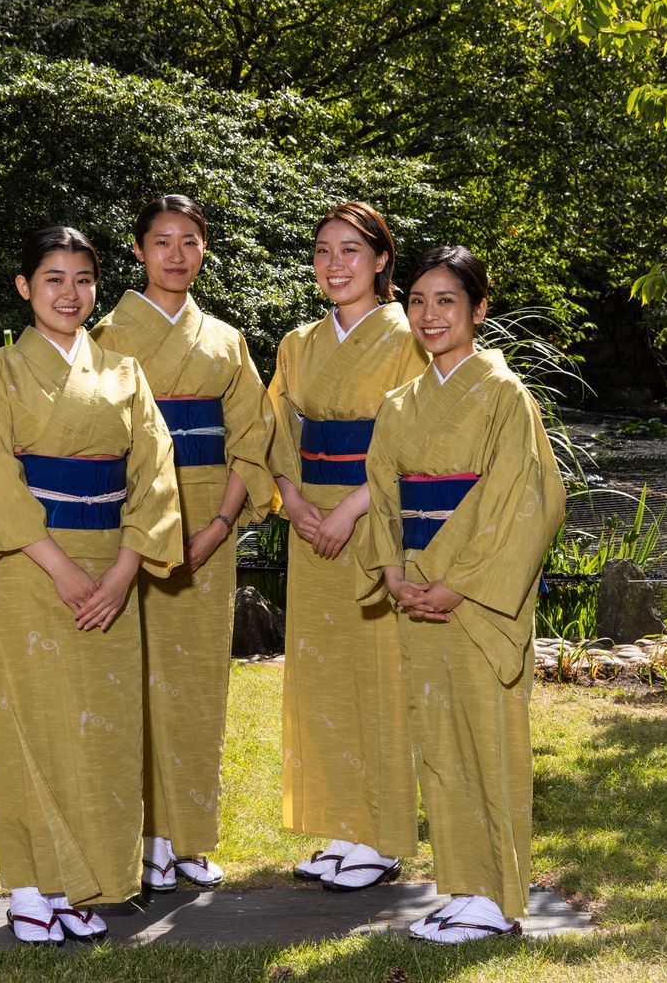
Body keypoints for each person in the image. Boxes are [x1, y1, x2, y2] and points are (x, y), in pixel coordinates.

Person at [0, 226, 183, 945]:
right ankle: (29, 888)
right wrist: (62, 569)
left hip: (113, 569)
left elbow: (155, 474)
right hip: (30, 567)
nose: (69, 294)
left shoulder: (123, 372)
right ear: (25, 288)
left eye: (83, 279)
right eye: (53, 278)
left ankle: (79, 884)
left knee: (103, 733)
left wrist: (120, 572)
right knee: (33, 727)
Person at [363, 246, 567, 942]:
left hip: (475, 595)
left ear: (479, 310)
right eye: (417, 300)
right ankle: (462, 883)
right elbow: (385, 496)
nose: (429, 315)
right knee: (440, 741)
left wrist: (453, 583)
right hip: (419, 587)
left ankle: (498, 896)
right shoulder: (399, 404)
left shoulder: (506, 397)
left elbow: (526, 504)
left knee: (488, 739)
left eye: (447, 300)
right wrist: (394, 572)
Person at [91, 194, 276, 893]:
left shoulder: (226, 341)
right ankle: (140, 840)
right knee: (132, 680)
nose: (176, 254)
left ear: (204, 250)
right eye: (161, 241)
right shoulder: (107, 336)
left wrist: (221, 525)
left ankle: (188, 836)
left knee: (197, 682)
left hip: (209, 519)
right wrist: (142, 534)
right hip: (130, 523)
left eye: (189, 241)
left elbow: (252, 440)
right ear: (137, 250)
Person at [266, 201, 427, 891]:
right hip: (309, 521)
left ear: (382, 260)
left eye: (351, 251)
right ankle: (339, 823)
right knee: (321, 669)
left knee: (378, 673)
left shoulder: (406, 338)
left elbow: (414, 435)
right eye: (323, 252)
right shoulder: (298, 343)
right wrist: (293, 501)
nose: (335, 266)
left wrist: (354, 507)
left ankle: (381, 832)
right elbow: (272, 427)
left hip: (376, 516)